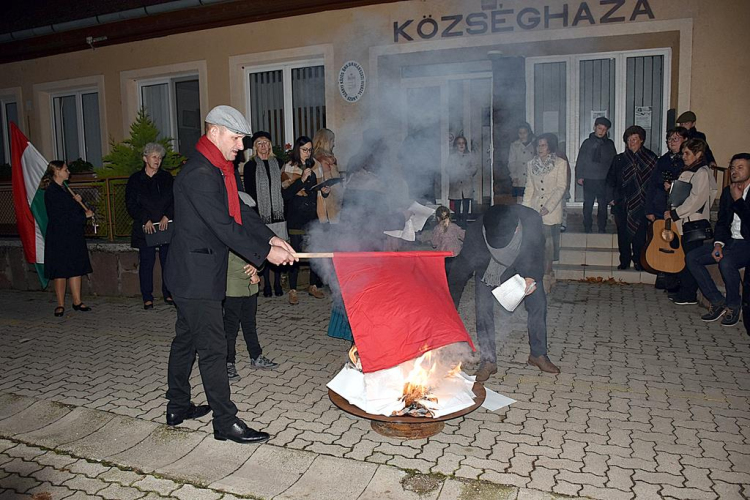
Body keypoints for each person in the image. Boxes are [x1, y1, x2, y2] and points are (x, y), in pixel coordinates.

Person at [164, 105, 296, 444]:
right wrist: (266, 254)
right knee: (213, 348)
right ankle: (225, 423)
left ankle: (177, 406)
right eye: (236, 138)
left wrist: (271, 236)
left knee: (186, 340)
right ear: (215, 132)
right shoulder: (199, 174)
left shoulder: (219, 168)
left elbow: (240, 213)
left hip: (196, 273)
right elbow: (223, 226)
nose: (241, 146)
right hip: (196, 276)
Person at [449, 204, 560, 381]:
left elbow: (538, 249)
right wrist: (450, 305)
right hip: (489, 271)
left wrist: (531, 275)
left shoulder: (531, 220)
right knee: (483, 310)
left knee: (538, 304)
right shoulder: (476, 231)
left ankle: (538, 355)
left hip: (522, 267)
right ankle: (488, 360)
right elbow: (461, 270)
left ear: (516, 229)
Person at [685, 153, 750, 325]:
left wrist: (739, 201)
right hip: (730, 242)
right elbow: (722, 222)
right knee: (692, 257)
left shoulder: (737, 195)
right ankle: (717, 301)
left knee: (726, 262)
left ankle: (734, 305)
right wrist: (718, 244)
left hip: (746, 243)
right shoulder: (729, 192)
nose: (735, 171)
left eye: (740, 167)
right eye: (733, 167)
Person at [663, 138, 715, 305]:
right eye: (683, 152)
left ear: (698, 154)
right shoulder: (693, 170)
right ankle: (684, 290)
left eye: (687, 153)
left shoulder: (701, 172)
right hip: (686, 220)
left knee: (691, 258)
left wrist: (676, 213)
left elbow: (696, 199)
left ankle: (688, 294)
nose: (684, 156)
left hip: (693, 222)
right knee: (686, 256)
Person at [125, 142, 175, 309]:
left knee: (167, 261)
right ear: (145, 158)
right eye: (154, 157)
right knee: (146, 262)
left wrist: (167, 216)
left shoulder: (166, 178)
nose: (157, 161)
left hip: (164, 226)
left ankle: (168, 293)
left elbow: (175, 199)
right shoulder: (135, 179)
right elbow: (131, 204)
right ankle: (147, 296)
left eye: (160, 158)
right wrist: (144, 219)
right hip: (145, 227)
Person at [41, 161, 94, 317]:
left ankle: (77, 301)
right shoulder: (51, 192)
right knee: (61, 270)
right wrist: (83, 215)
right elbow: (61, 216)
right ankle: (60, 304)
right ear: (57, 172)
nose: (68, 172)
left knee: (75, 267)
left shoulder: (65, 190)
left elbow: (73, 211)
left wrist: (78, 202)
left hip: (73, 235)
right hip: (60, 236)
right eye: (65, 169)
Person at [281, 135, 329, 305]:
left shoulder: (316, 166)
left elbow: (316, 191)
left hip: (312, 214)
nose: (307, 153)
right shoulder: (289, 167)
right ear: (297, 149)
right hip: (295, 215)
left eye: (309, 150)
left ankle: (313, 285)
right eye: (304, 150)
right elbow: (286, 195)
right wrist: (301, 180)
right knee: (295, 253)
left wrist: (324, 190)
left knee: (315, 250)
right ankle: (293, 289)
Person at [607, 125, 658, 270]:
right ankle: (624, 260)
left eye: (634, 139)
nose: (631, 142)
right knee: (622, 234)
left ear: (641, 140)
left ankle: (638, 260)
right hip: (622, 202)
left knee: (639, 235)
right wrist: (610, 197)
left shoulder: (651, 158)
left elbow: (655, 183)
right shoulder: (619, 159)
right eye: (629, 140)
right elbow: (610, 180)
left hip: (642, 202)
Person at [242, 131, 287, 298]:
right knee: (266, 248)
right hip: (261, 214)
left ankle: (277, 283)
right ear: (255, 147)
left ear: (270, 145)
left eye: (266, 142)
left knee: (279, 247)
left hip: (279, 213)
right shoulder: (250, 166)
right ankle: (267, 284)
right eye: (259, 143)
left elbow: (282, 189)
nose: (263, 146)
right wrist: (255, 215)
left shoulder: (279, 163)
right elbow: (249, 193)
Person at [522, 133, 567, 292]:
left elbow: (561, 187)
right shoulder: (531, 164)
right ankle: (539, 275)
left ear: (550, 147)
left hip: (551, 211)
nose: (539, 148)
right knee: (535, 245)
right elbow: (529, 188)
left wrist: (549, 206)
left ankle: (547, 277)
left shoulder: (560, 163)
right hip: (534, 210)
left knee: (548, 246)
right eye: (538, 145)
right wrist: (525, 210)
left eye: (543, 145)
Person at [645, 127, 688, 290]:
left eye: (675, 139)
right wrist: (648, 209)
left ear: (684, 140)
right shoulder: (663, 160)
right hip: (660, 206)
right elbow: (651, 185)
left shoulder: (688, 160)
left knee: (676, 243)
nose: (671, 142)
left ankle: (674, 277)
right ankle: (662, 274)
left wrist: (673, 187)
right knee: (660, 239)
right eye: (669, 139)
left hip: (679, 209)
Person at [224, 254, 279, 380]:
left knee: (250, 324)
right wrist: (251, 272)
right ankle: (228, 363)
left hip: (251, 288)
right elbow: (227, 262)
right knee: (230, 329)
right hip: (233, 288)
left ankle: (256, 357)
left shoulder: (248, 235)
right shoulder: (228, 235)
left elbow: (260, 254)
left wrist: (257, 267)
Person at [576, 117, 617, 233]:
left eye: (604, 130)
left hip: (603, 179)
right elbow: (581, 160)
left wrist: (612, 179)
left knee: (603, 205)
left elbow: (613, 162)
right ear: (594, 127)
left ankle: (602, 227)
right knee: (588, 204)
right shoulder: (587, 143)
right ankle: (587, 226)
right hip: (589, 178)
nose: (601, 132)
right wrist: (580, 175)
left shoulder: (609, 144)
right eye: (599, 128)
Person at [313, 128, 343, 224]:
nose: (333, 144)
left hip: (333, 200)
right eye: (332, 140)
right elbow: (328, 182)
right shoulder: (323, 160)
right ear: (326, 141)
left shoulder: (325, 159)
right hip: (329, 203)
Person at [447, 136, 478, 226]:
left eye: (463, 143)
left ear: (465, 145)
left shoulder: (470, 155)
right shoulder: (452, 157)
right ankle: (457, 220)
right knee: (457, 203)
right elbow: (448, 168)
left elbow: (475, 167)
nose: (461, 145)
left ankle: (464, 221)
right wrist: (455, 173)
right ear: (456, 145)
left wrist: (468, 172)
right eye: (459, 143)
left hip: (467, 183)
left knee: (466, 203)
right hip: (456, 183)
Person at [431, 206, 465, 276]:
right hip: (455, 254)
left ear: (438, 218)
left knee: (445, 274)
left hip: (443, 256)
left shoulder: (437, 229)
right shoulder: (454, 226)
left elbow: (434, 243)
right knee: (454, 274)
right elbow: (464, 236)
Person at [508, 122, 535, 200]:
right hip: (520, 177)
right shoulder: (514, 145)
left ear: (529, 132)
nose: (522, 135)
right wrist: (514, 176)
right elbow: (511, 162)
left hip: (532, 176)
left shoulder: (534, 143)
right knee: (520, 200)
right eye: (520, 133)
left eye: (525, 133)